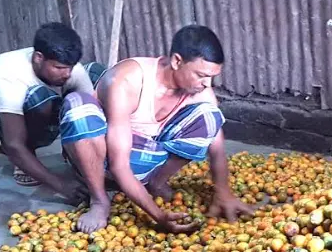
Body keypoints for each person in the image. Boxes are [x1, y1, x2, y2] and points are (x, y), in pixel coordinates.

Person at [59, 24, 255, 234]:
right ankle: (99, 200)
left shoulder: (200, 93)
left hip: (145, 161)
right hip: (102, 162)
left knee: (209, 117)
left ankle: (155, 183)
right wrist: (158, 215)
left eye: (212, 76)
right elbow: (118, 165)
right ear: (177, 61)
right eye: (200, 75)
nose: (207, 83)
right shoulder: (128, 80)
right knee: (77, 105)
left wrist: (223, 192)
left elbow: (217, 151)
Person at [0, 22, 106, 198]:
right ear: (38, 58)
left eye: (70, 67)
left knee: (95, 72)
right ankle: (27, 159)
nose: (67, 73)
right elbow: (13, 144)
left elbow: (93, 113)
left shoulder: (71, 70)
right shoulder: (9, 74)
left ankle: (73, 153)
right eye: (59, 68)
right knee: (40, 98)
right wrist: (61, 185)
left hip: (51, 109)